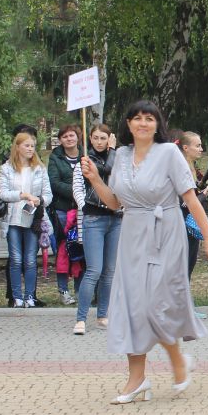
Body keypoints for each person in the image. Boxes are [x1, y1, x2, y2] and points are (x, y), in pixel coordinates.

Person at [80, 100, 208, 404]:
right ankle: (137, 379)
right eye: (137, 118)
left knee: (156, 305)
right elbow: (115, 203)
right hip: (132, 234)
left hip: (166, 233)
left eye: (149, 118)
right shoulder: (121, 155)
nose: (143, 123)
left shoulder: (169, 153)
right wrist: (94, 179)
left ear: (158, 124)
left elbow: (191, 199)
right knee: (131, 305)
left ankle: (177, 360)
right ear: (128, 124)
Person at [71, 124, 120, 334]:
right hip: (94, 219)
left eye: (103, 138)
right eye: (96, 138)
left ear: (109, 139)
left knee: (109, 271)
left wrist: (115, 152)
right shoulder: (86, 161)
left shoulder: (118, 158)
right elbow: (79, 186)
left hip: (116, 219)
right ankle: (81, 318)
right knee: (94, 270)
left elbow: (119, 175)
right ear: (90, 139)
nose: (99, 142)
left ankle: (103, 315)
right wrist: (85, 207)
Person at [0, 132, 52, 307]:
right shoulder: (7, 168)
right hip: (13, 219)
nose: (30, 149)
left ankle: (30, 296)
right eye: (27, 145)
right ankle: (16, 297)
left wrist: (40, 200)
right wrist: (21, 195)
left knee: (30, 259)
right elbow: (3, 194)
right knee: (15, 258)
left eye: (33, 146)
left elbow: (48, 194)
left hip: (33, 219)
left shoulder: (40, 168)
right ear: (18, 147)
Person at [177, 132, 208, 319]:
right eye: (197, 146)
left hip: (189, 223)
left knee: (188, 265)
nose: (201, 149)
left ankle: (186, 307)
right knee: (183, 266)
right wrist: (203, 195)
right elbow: (183, 201)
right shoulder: (181, 168)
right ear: (185, 148)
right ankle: (183, 309)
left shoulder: (190, 166)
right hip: (182, 223)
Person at [48, 124, 83, 304]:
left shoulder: (86, 156)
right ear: (61, 140)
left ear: (78, 136)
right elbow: (54, 183)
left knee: (79, 249)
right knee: (63, 250)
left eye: (72, 135)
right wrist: (75, 191)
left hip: (82, 210)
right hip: (62, 210)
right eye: (65, 136)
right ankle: (63, 290)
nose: (69, 139)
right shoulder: (55, 158)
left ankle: (79, 290)